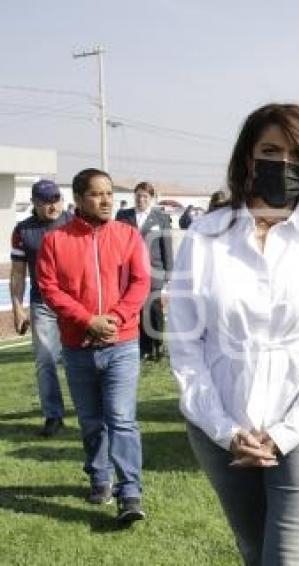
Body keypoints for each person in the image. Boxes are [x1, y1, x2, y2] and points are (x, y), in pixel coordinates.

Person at [168, 103, 299, 565]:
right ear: (248, 158)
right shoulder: (206, 236)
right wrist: (224, 428)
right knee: (254, 549)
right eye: (271, 150)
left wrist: (285, 433)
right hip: (220, 423)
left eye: (298, 153)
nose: (285, 163)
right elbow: (185, 344)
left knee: (290, 557)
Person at [37, 168, 150, 524]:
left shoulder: (129, 235)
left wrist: (114, 318)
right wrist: (88, 321)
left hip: (122, 344)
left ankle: (130, 492)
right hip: (77, 345)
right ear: (79, 199)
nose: (106, 200)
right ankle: (100, 476)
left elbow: (140, 280)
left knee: (121, 418)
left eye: (109, 193)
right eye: (97, 194)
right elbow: (50, 288)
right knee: (90, 421)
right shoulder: (56, 241)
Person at [9, 179, 73, 437]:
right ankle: (53, 415)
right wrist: (17, 306)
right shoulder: (22, 231)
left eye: (56, 198)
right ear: (34, 203)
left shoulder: (74, 223)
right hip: (43, 304)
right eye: (47, 201)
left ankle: (93, 411)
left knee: (82, 360)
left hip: (76, 304)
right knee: (45, 360)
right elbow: (17, 272)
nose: (53, 205)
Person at [117, 182, 174, 361]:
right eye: (138, 196)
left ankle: (158, 346)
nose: (141, 200)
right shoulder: (123, 216)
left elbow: (167, 248)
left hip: (154, 272)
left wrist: (168, 276)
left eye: (145, 197)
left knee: (155, 310)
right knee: (138, 311)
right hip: (131, 272)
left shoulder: (160, 218)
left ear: (151, 198)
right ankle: (144, 348)